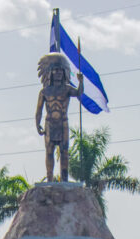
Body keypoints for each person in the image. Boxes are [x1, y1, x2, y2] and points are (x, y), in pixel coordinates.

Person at [35, 53, 83, 182]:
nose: (58, 73)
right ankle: (49, 178)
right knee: (49, 151)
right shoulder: (44, 91)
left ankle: (64, 179)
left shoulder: (67, 89)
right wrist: (37, 124)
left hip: (63, 123)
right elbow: (39, 110)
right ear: (50, 73)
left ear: (64, 73)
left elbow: (78, 93)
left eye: (60, 71)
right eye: (55, 70)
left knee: (64, 151)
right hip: (49, 124)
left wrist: (81, 82)